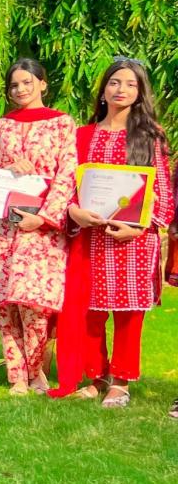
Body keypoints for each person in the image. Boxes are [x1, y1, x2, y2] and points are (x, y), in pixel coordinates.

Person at [50, 58, 172, 406]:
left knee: (128, 313)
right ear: (103, 90)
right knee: (90, 311)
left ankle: (121, 381)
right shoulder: (82, 135)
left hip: (133, 239)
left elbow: (163, 192)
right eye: (115, 82)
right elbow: (67, 185)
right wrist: (73, 210)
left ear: (140, 92)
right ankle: (96, 376)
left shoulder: (150, 136)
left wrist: (139, 226)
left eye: (131, 84)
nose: (122, 90)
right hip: (90, 236)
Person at [0, 58, 77, 395]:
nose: (20, 89)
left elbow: (67, 174)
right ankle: (17, 376)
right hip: (1, 227)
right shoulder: (0, 127)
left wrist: (45, 217)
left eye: (27, 82)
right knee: (6, 304)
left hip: (41, 228)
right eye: (14, 85)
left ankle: (35, 370)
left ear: (42, 84)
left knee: (34, 302)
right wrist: (7, 169)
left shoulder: (62, 124)